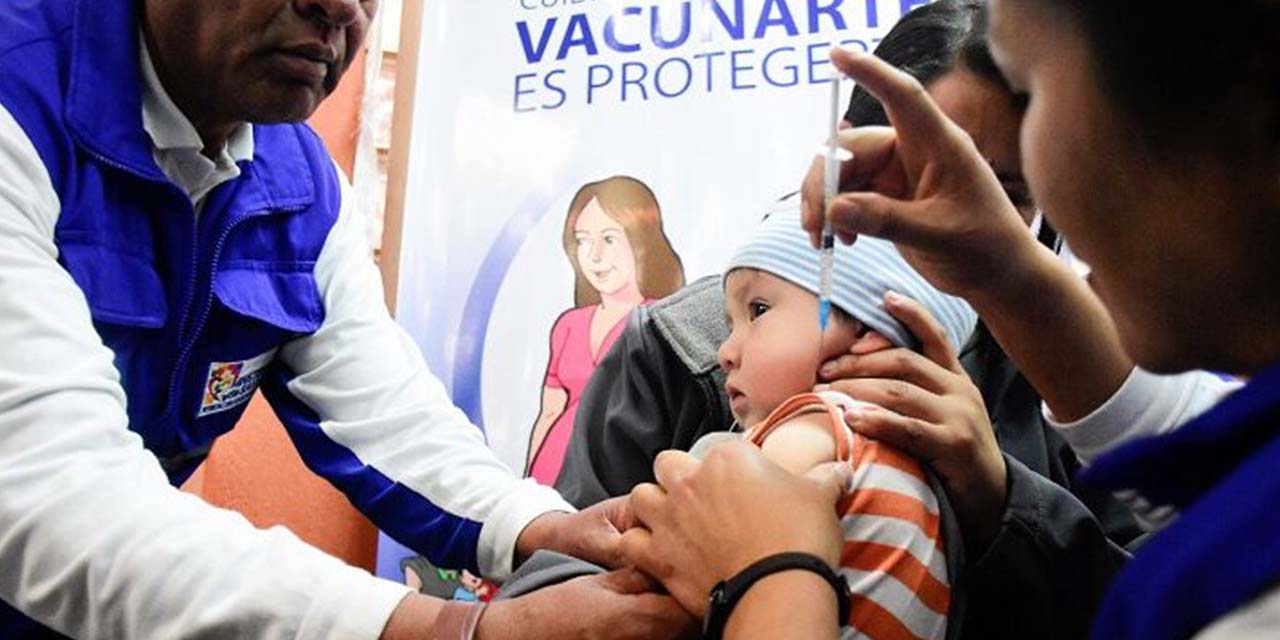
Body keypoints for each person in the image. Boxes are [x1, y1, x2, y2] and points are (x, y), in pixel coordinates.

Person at [0, 0, 692, 638]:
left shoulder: (297, 180)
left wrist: (547, 527)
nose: (339, 9)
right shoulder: (17, 97)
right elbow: (51, 490)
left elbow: (386, 419)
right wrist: (462, 630)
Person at [631, 0, 1280, 637]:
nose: (1000, 203)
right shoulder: (676, 349)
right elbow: (1205, 461)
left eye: (1031, 87)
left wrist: (774, 576)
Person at [701, 209, 974, 639]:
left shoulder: (815, 428)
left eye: (757, 310)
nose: (725, 352)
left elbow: (694, 556)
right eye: (729, 324)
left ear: (866, 331)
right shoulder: (917, 467)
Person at [525, 175, 684, 484]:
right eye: (583, 240)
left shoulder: (660, 322)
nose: (594, 255)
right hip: (549, 479)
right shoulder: (569, 325)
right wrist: (524, 486)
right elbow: (549, 413)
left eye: (609, 239)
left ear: (641, 241)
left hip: (615, 483)